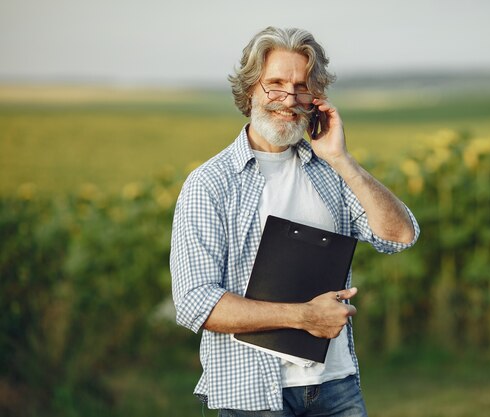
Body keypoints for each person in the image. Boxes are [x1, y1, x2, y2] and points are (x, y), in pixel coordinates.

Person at [170, 26, 419, 416]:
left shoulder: (331, 171)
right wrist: (305, 316)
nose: (289, 98)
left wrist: (341, 159)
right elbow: (195, 304)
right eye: (275, 84)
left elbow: (400, 236)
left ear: (315, 97)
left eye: (301, 86)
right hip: (250, 394)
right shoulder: (210, 184)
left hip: (336, 387)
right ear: (251, 89)